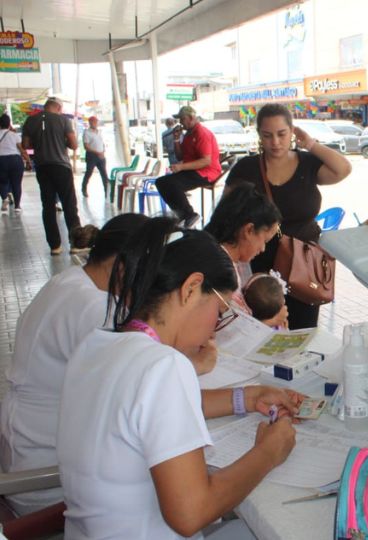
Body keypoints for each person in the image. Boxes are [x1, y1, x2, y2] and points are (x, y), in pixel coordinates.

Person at [57, 217, 302, 538]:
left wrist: (248, 397)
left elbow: (148, 413)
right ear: (190, 289)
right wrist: (269, 453)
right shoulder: (164, 366)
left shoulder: (96, 345)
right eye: (219, 310)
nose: (215, 325)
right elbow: (190, 513)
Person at [0, 213, 150, 516]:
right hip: (46, 481)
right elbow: (139, 399)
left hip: (24, 449)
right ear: (122, 267)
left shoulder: (69, 280)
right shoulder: (97, 310)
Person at [225, 103, 352, 330]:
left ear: (292, 132)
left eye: (282, 134)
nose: (275, 142)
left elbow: (342, 169)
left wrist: (311, 144)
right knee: (264, 331)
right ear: (259, 136)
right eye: (267, 135)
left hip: (305, 264)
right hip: (261, 264)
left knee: (304, 331)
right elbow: (226, 214)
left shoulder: (307, 163)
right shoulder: (246, 168)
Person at [204, 182, 283, 313]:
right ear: (249, 230)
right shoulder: (220, 268)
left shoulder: (222, 258)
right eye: (264, 240)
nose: (263, 249)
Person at [21, 97, 82, 255]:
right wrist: (62, 142)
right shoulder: (63, 121)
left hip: (42, 167)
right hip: (61, 166)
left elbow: (26, 146)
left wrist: (39, 144)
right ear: (58, 108)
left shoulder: (31, 120)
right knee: (69, 204)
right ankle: (77, 244)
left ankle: (55, 246)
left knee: (48, 206)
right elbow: (74, 145)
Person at [155, 106, 221, 228]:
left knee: (172, 183)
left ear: (191, 118)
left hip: (206, 172)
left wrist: (182, 167)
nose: (180, 122)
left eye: (182, 119)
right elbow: (180, 156)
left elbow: (206, 161)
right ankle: (182, 214)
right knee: (161, 182)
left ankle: (190, 215)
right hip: (193, 170)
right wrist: (176, 139)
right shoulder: (188, 134)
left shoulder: (202, 133)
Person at [0, 114, 30, 213]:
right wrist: (28, 160)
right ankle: (17, 206)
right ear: (9, 124)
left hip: (1, 160)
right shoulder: (14, 135)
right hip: (15, 160)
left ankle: (5, 199)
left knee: (2, 182)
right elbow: (21, 149)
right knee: (16, 183)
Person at [80, 116, 109, 198]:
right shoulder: (87, 132)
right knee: (89, 173)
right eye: (93, 122)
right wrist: (96, 152)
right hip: (92, 156)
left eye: (96, 122)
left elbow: (101, 142)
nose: (95, 123)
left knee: (104, 174)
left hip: (101, 156)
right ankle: (84, 188)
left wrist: (103, 151)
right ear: (90, 123)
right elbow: (86, 146)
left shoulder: (99, 132)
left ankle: (107, 191)